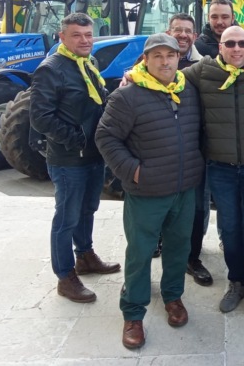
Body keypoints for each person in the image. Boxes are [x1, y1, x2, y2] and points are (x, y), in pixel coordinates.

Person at [96, 33, 203, 349]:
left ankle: (173, 296)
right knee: (140, 253)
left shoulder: (188, 90)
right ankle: (133, 312)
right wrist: (133, 171)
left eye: (170, 55)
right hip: (147, 191)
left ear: (179, 58)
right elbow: (106, 137)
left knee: (178, 247)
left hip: (184, 188)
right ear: (145, 60)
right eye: (157, 56)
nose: (165, 61)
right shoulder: (128, 95)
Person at [183, 25, 244, 331]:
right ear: (220, 47)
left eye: (242, 43)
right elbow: (169, 75)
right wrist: (134, 74)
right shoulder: (204, 71)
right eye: (230, 43)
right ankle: (237, 282)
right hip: (221, 166)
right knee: (230, 229)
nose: (236, 48)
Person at [30, 12, 120, 304]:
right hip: (69, 158)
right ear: (62, 37)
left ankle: (85, 256)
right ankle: (65, 276)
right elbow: (40, 118)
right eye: (77, 35)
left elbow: (96, 103)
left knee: (87, 209)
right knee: (66, 218)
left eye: (88, 35)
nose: (84, 40)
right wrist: (78, 140)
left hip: (93, 154)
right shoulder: (51, 69)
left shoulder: (89, 63)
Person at [166, 13, 213, 287]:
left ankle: (192, 258)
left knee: (196, 207)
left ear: (195, 36)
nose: (182, 35)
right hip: (162, 149)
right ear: (168, 32)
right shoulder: (149, 62)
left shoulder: (204, 65)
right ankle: (157, 251)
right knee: (160, 206)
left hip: (196, 150)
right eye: (177, 30)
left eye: (187, 31)